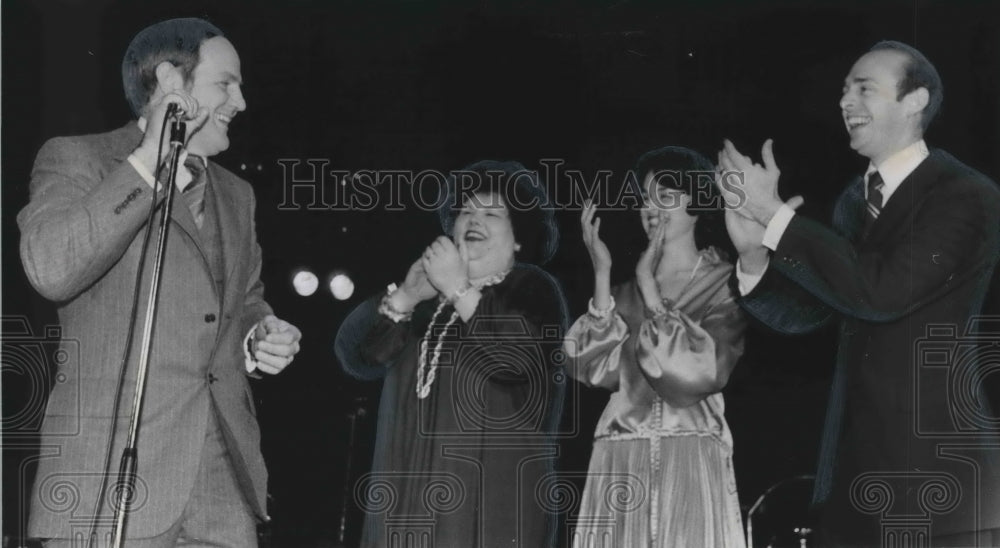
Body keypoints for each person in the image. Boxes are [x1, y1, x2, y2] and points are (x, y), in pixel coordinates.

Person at [18, 18, 301, 547]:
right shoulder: (78, 158)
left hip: (221, 489)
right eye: (226, 83)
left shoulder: (237, 195)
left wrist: (258, 335)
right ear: (172, 81)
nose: (241, 102)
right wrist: (151, 160)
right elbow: (52, 267)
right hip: (108, 482)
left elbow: (245, 300)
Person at [718, 40, 1000, 545]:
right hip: (854, 483)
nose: (845, 101)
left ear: (915, 101)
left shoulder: (966, 194)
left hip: (941, 485)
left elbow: (881, 291)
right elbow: (815, 312)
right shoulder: (854, 200)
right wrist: (754, 255)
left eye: (864, 88)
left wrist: (775, 216)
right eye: (844, 89)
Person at [335, 160, 567, 548]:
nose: (474, 219)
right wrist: (406, 296)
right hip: (406, 497)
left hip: (488, 505)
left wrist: (459, 288)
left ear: (518, 238)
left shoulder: (532, 289)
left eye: (492, 213)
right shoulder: (424, 305)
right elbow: (355, 358)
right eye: (466, 212)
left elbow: (515, 358)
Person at [565, 146, 747, 547]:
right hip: (619, 454)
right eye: (645, 198)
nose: (651, 207)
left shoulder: (724, 284)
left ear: (697, 202)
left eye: (665, 195)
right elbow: (590, 368)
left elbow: (702, 372)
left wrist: (651, 292)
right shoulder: (622, 292)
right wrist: (602, 274)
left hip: (691, 453)